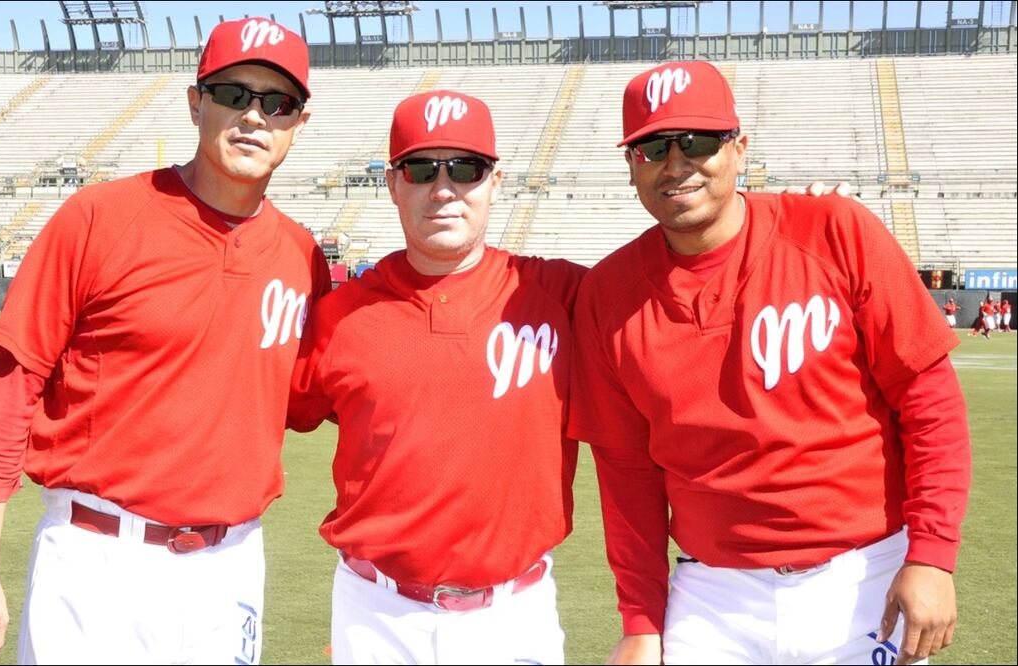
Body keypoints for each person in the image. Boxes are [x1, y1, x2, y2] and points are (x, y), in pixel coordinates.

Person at [0, 17, 331, 665]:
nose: (254, 117)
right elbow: (8, 389)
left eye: (277, 102)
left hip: (229, 567)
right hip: (96, 561)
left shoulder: (300, 255)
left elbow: (320, 400)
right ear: (195, 103)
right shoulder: (99, 218)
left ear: (297, 124)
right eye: (233, 94)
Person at [568, 61, 971, 665]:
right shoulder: (607, 294)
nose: (676, 164)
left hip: (864, 576)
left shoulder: (837, 230)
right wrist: (641, 623)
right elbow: (627, 477)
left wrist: (933, 554)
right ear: (631, 166)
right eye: (652, 148)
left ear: (739, 148)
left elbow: (928, 401)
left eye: (697, 141)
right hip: (713, 596)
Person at [286, 90, 586, 665]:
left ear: (495, 182)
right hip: (376, 613)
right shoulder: (336, 316)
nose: (443, 189)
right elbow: (281, 407)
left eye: (465, 168)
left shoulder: (564, 296)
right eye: (421, 169)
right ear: (393, 184)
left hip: (515, 614)